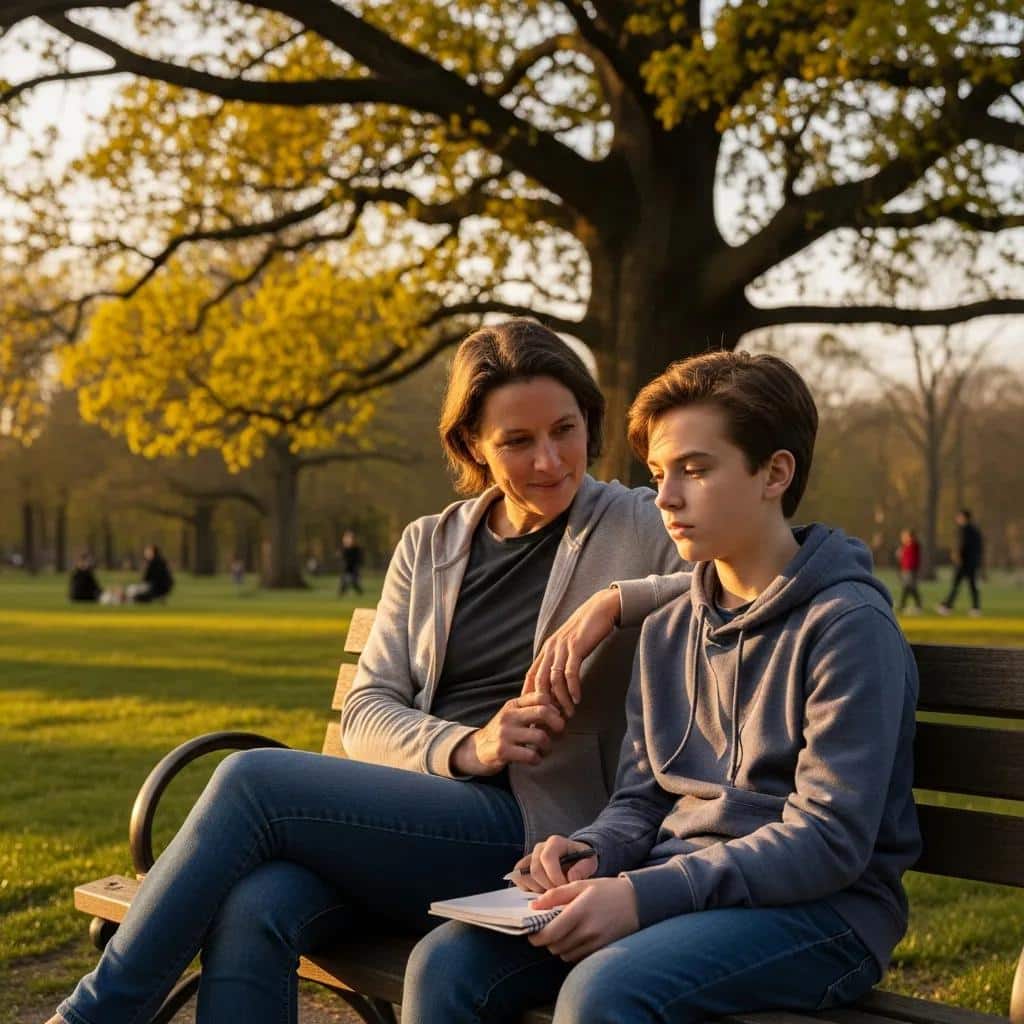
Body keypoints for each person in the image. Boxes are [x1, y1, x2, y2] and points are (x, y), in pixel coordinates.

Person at [45, 319, 682, 1024]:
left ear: (589, 419)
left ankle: (93, 1017)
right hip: (410, 823)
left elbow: (755, 573)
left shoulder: (641, 524)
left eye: (565, 430)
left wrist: (615, 601)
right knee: (255, 905)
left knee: (252, 779)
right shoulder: (430, 544)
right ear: (472, 444)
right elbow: (367, 707)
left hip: (535, 836)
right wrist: (469, 746)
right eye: (517, 441)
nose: (550, 460)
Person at [404, 350, 921, 1024]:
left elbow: (829, 839)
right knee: (446, 963)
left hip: (824, 915)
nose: (666, 498)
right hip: (674, 889)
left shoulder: (848, 627)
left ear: (775, 473)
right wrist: (591, 852)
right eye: (658, 474)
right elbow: (641, 800)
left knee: (603, 992)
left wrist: (642, 896)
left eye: (695, 470)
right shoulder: (669, 628)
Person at [937, 509, 983, 616]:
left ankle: (947, 606)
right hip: (972, 562)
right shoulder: (975, 530)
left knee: (957, 584)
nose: (957, 519)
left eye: (959, 517)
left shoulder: (964, 530)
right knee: (971, 585)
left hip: (964, 562)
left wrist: (957, 555)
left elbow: (963, 545)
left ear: (964, 518)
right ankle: (975, 608)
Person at [897, 528, 922, 614]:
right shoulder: (906, 546)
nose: (903, 538)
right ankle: (905, 605)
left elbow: (912, 559)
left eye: (905, 536)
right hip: (905, 569)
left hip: (911, 569)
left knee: (909, 587)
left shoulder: (914, 545)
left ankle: (905, 605)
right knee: (909, 587)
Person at [337, 529, 364, 595]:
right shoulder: (344, 549)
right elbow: (342, 558)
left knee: (353, 581)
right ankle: (342, 592)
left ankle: (359, 592)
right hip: (346, 568)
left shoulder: (356, 549)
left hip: (354, 568)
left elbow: (359, 559)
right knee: (344, 581)